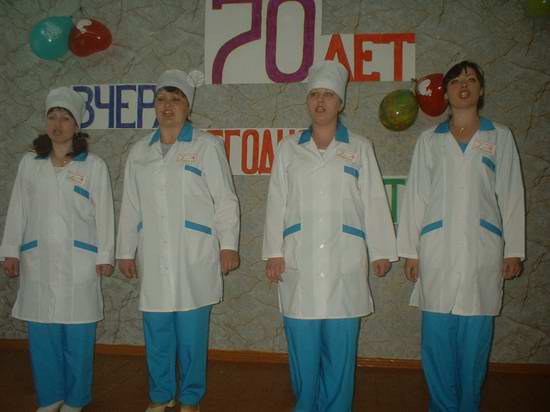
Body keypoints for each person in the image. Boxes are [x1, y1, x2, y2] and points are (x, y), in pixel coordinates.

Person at [262, 60, 397, 412]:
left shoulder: (360, 147)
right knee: (302, 346)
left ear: (341, 102)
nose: (320, 101)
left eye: (328, 95)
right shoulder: (289, 148)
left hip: (344, 259)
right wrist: (274, 252)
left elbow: (374, 199)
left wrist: (381, 250)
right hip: (299, 258)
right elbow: (276, 201)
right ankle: (305, 405)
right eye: (315, 94)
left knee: (340, 348)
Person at [397, 61, 525, 412]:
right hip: (436, 249)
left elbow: (512, 194)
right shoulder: (429, 140)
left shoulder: (499, 136)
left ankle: (468, 405)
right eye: (455, 81)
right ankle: (441, 406)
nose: (463, 86)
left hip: (482, 251)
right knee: (436, 339)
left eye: (471, 80)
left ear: (481, 90)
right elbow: (416, 195)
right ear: (446, 93)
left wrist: (513, 250)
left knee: (474, 343)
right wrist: (410, 251)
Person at [116, 69, 240, 412]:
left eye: (176, 99)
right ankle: (160, 395)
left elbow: (225, 199)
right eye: (161, 99)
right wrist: (125, 250)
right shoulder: (140, 151)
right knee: (157, 330)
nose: (167, 106)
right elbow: (130, 205)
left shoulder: (207, 146)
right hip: (154, 253)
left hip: (194, 253)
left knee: (191, 335)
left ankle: (190, 397)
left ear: (188, 105)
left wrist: (228, 244)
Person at [0, 87, 115, 412]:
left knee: (78, 333)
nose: (58, 124)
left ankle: (76, 398)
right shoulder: (30, 163)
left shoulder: (93, 166)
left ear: (77, 125)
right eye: (52, 117)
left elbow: (105, 213)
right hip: (37, 258)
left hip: (80, 260)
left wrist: (105, 254)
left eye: (65, 118)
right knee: (42, 332)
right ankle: (50, 397)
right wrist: (11, 250)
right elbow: (18, 209)